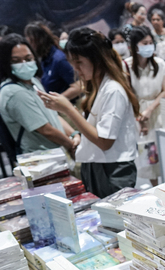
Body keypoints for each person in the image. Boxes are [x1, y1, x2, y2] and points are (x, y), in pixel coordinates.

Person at [37, 28, 140, 198]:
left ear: (97, 59)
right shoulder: (98, 86)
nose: (75, 69)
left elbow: (105, 141)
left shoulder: (113, 90)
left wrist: (69, 110)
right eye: (72, 62)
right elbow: (95, 129)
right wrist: (79, 135)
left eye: (79, 62)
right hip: (98, 164)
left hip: (111, 169)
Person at [0, 34, 79, 155]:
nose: (24, 64)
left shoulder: (34, 81)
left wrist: (73, 134)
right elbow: (45, 130)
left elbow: (53, 115)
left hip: (58, 151)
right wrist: (71, 146)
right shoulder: (14, 92)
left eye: (28, 58)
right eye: (15, 61)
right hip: (41, 159)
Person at [125, 26, 165, 186]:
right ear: (135, 46)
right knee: (148, 155)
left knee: (164, 152)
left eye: (151, 42)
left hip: (158, 112)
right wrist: (140, 115)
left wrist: (150, 109)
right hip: (137, 115)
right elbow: (128, 93)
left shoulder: (160, 64)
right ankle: (155, 186)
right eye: (145, 43)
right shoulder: (126, 66)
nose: (149, 46)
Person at [24, 22, 81, 100]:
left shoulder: (59, 59)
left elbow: (78, 86)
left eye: (31, 42)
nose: (30, 47)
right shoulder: (44, 60)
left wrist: (54, 101)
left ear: (39, 41)